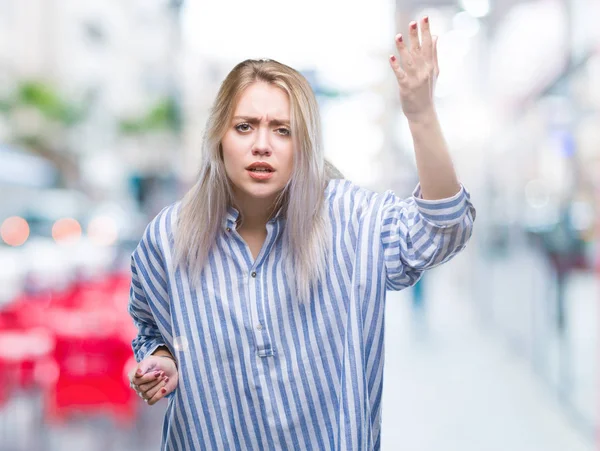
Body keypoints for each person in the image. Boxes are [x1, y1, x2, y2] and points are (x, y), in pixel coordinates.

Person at [127, 16, 475, 451]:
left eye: (282, 130)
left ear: (304, 143)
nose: (262, 144)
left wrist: (421, 114)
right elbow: (150, 325)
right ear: (218, 137)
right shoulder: (169, 236)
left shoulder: (352, 219)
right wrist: (162, 357)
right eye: (244, 126)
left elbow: (442, 230)